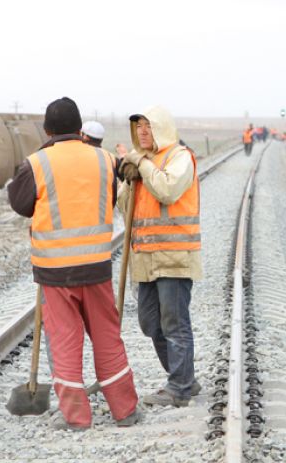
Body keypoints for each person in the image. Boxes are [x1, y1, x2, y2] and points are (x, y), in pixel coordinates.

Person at [7, 97, 139, 430]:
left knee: (65, 341)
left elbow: (21, 204)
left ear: (48, 130)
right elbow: (107, 200)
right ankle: (125, 410)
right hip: (96, 266)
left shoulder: (37, 163)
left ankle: (77, 417)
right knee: (108, 336)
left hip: (54, 271)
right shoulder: (106, 159)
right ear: (81, 128)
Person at [117, 105, 202, 408]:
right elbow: (125, 211)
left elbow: (167, 190)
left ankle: (179, 385)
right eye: (138, 126)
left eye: (148, 126)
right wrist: (126, 181)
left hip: (174, 256)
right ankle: (185, 378)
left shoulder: (179, 157)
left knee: (174, 322)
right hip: (146, 259)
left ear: (162, 127)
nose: (142, 131)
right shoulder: (145, 162)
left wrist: (140, 163)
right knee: (149, 321)